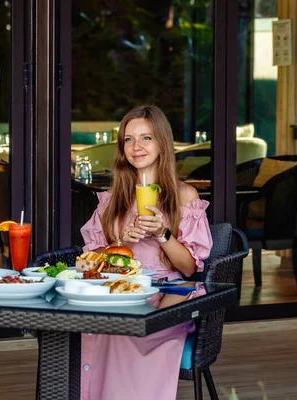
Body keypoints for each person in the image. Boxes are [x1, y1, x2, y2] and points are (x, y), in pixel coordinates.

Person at [79, 105, 213, 400]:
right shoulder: (112, 200)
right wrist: (120, 243)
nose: (136, 147)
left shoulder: (184, 195)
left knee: (132, 329)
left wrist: (163, 233)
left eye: (146, 138)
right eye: (128, 139)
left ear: (162, 143)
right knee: (96, 326)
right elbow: (90, 261)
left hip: (171, 293)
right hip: (121, 291)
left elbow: (190, 269)